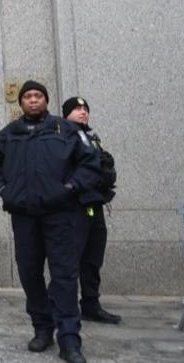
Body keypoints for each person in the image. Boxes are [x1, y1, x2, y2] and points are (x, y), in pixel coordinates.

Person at [0, 81, 102, 363]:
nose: (33, 100)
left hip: (60, 215)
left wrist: (70, 188)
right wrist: (5, 191)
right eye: (28, 96)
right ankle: (42, 328)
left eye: (38, 95)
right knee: (29, 273)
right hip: (24, 216)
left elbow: (90, 164)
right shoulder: (7, 135)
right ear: (21, 103)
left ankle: (70, 341)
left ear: (46, 100)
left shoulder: (67, 130)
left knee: (64, 276)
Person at [62, 96, 121, 325]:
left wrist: (107, 169)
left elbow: (103, 171)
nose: (83, 112)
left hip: (95, 204)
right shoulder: (63, 137)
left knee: (93, 257)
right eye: (77, 108)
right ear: (66, 114)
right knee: (71, 259)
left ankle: (91, 304)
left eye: (85, 108)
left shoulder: (91, 138)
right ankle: (64, 306)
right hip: (76, 206)